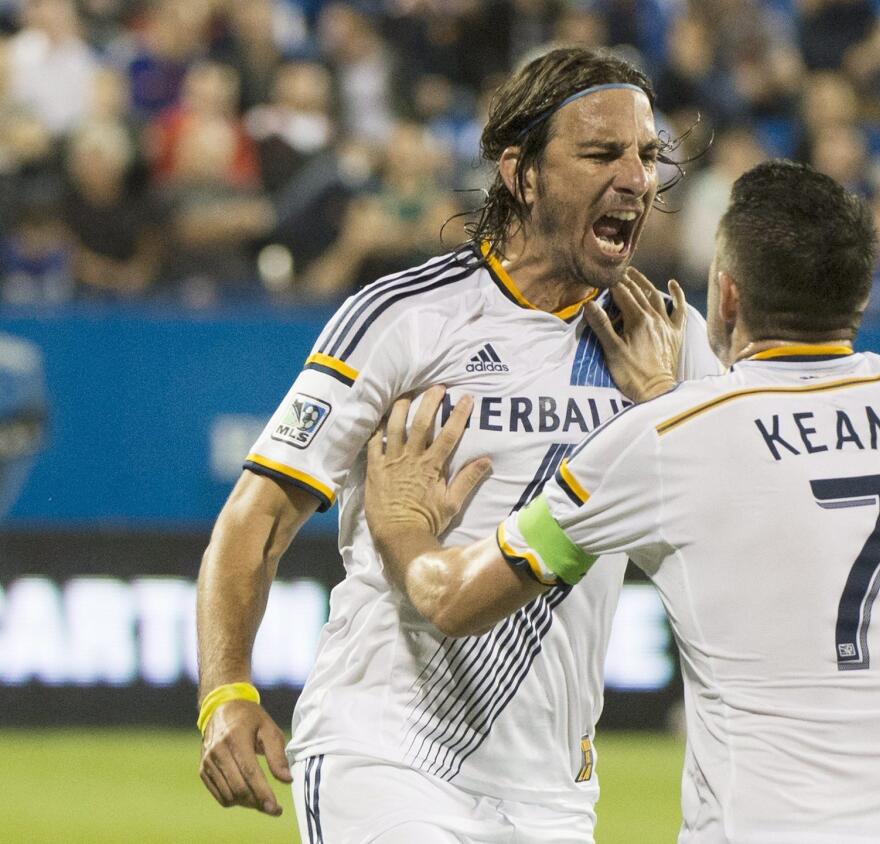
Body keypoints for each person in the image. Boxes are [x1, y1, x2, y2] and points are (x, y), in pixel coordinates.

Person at [364, 160, 880, 842]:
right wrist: (670, 397)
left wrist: (402, 521)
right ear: (862, 296)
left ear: (725, 296)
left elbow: (454, 600)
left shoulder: (665, 440)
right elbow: (777, 489)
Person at [194, 46, 720, 841]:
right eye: (602, 153)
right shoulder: (407, 317)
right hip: (385, 755)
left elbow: (731, 535)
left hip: (552, 795)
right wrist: (226, 691)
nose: (637, 179)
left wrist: (662, 408)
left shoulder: (665, 341)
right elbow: (258, 515)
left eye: (647, 156)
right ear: (522, 174)